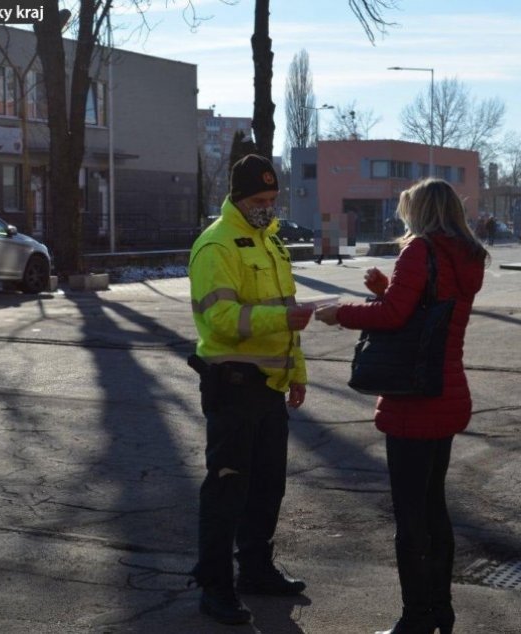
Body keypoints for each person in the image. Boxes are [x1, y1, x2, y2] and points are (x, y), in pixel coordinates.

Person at [315, 178, 488, 634]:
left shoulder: (420, 251)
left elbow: (394, 317)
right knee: (434, 507)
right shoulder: (464, 256)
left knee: (410, 515)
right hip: (447, 391)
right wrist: (385, 286)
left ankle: (415, 618)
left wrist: (344, 313)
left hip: (413, 398)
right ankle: (440, 611)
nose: (404, 219)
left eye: (408, 210)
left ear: (423, 212)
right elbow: (424, 306)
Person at [187, 154, 313, 626]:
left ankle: (256, 569)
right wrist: (281, 320)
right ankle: (215, 586)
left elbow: (287, 310)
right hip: (234, 385)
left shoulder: (270, 243)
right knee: (227, 489)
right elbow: (218, 320)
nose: (268, 207)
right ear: (239, 198)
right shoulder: (216, 245)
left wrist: (297, 371)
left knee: (267, 486)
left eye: (272, 199)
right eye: (260, 200)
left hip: (270, 387)